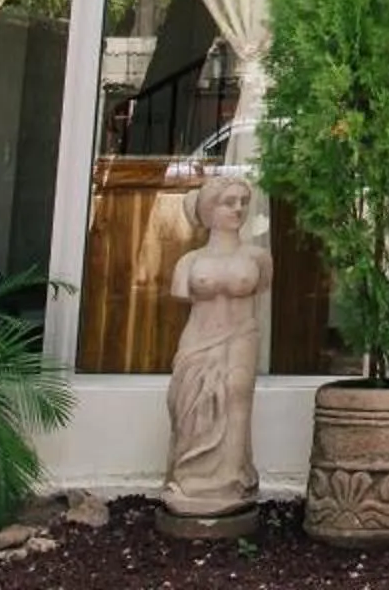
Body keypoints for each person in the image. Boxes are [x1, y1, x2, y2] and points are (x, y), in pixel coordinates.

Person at [162, 172, 269, 521]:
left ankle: (232, 478)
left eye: (243, 202)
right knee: (192, 405)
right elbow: (182, 294)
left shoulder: (257, 258)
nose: (238, 209)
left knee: (237, 395)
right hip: (198, 340)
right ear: (209, 210)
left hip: (241, 335)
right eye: (229, 202)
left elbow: (262, 287)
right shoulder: (189, 262)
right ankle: (189, 480)